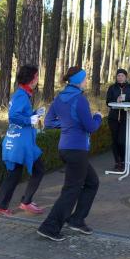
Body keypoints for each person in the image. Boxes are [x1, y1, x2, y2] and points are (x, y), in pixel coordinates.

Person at [38, 67, 103, 242]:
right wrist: (98, 117)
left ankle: (77, 219)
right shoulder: (80, 99)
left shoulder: (59, 97)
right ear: (79, 81)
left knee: (92, 182)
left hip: (65, 148)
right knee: (71, 190)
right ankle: (50, 227)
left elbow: (49, 122)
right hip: (77, 150)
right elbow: (91, 127)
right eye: (85, 78)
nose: (86, 81)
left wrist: (68, 124)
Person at [0, 65, 46, 216]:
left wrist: (34, 113)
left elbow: (19, 114)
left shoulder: (22, 93)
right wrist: (29, 119)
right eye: (36, 76)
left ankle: (0, 204)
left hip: (16, 141)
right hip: (21, 143)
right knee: (39, 169)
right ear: (31, 78)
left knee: (14, 173)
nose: (37, 79)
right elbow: (13, 116)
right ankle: (25, 202)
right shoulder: (22, 95)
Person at [105, 68, 130, 171]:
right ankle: (118, 162)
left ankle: (124, 160)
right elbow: (108, 102)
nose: (120, 77)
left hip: (126, 117)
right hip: (113, 118)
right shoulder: (112, 88)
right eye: (118, 76)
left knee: (122, 140)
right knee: (115, 140)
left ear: (126, 77)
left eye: (122, 76)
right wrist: (116, 100)